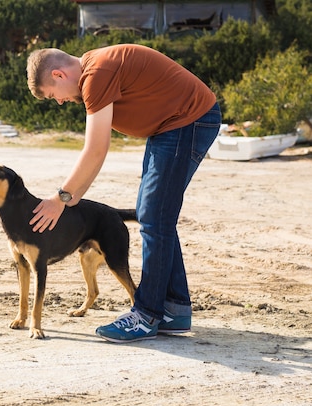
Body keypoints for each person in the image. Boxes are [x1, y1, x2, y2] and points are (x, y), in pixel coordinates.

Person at [26, 44, 221, 343]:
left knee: (155, 216)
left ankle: (147, 315)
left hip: (188, 119)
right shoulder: (95, 70)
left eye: (55, 94)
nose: (62, 102)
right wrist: (72, 196)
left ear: (59, 74)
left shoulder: (96, 75)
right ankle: (175, 309)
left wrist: (61, 198)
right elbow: (95, 153)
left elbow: (96, 150)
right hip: (172, 126)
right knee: (154, 214)